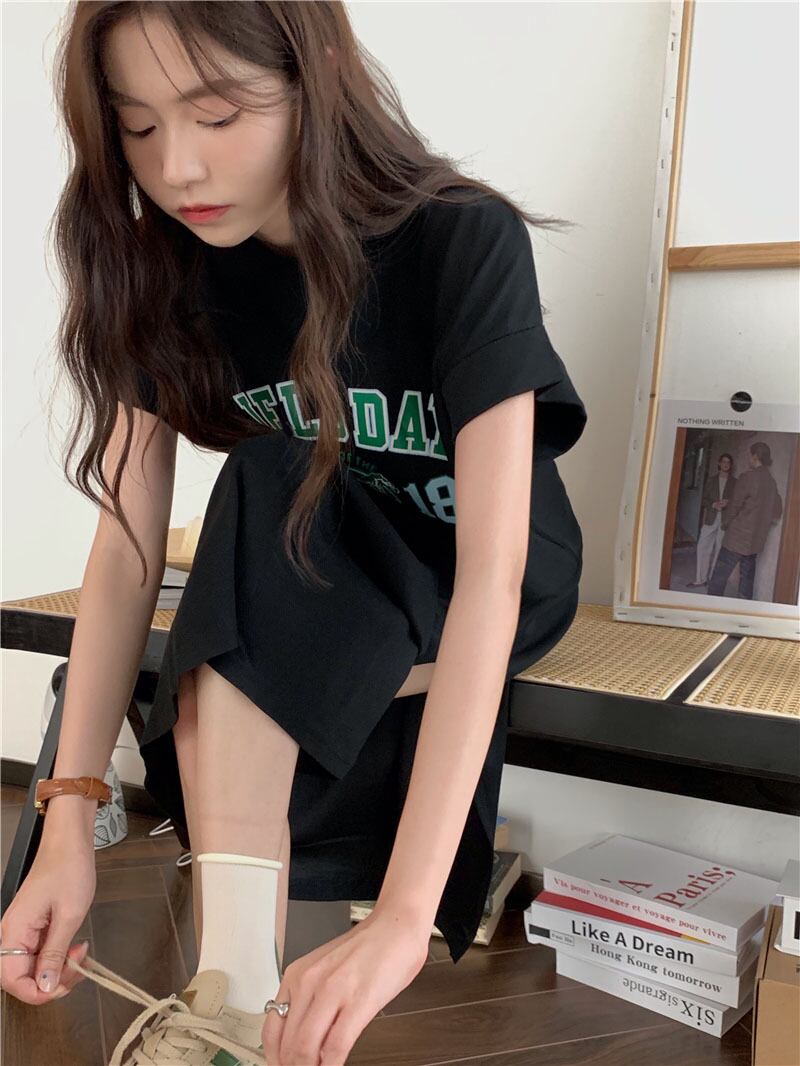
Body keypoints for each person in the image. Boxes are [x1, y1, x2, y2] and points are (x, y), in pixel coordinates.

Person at [0, 4, 587, 1065]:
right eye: (138, 127)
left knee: (228, 650)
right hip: (321, 573)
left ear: (314, 67)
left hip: (470, 573)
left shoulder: (458, 238)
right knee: (267, 483)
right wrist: (65, 830)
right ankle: (232, 1004)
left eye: (218, 114)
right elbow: (126, 549)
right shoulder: (168, 267)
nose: (177, 167)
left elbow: (495, 577)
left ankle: (227, 1004)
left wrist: (402, 917)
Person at [707, 442, 783, 599]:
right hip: (755, 542)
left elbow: (735, 505)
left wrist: (725, 523)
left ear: (755, 456)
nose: (750, 458)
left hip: (737, 538)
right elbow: (776, 512)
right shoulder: (771, 482)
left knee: (719, 578)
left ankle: (711, 607)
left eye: (751, 455)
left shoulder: (748, 476)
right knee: (747, 580)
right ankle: (742, 608)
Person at [686, 452, 736, 588]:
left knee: (719, 549)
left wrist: (728, 502)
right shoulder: (711, 480)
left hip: (725, 520)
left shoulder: (734, 482)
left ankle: (711, 579)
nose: (725, 464)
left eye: (728, 462)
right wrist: (713, 504)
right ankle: (700, 579)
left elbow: (737, 501)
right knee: (703, 546)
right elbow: (704, 499)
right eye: (723, 461)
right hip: (711, 517)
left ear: (730, 465)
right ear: (719, 463)